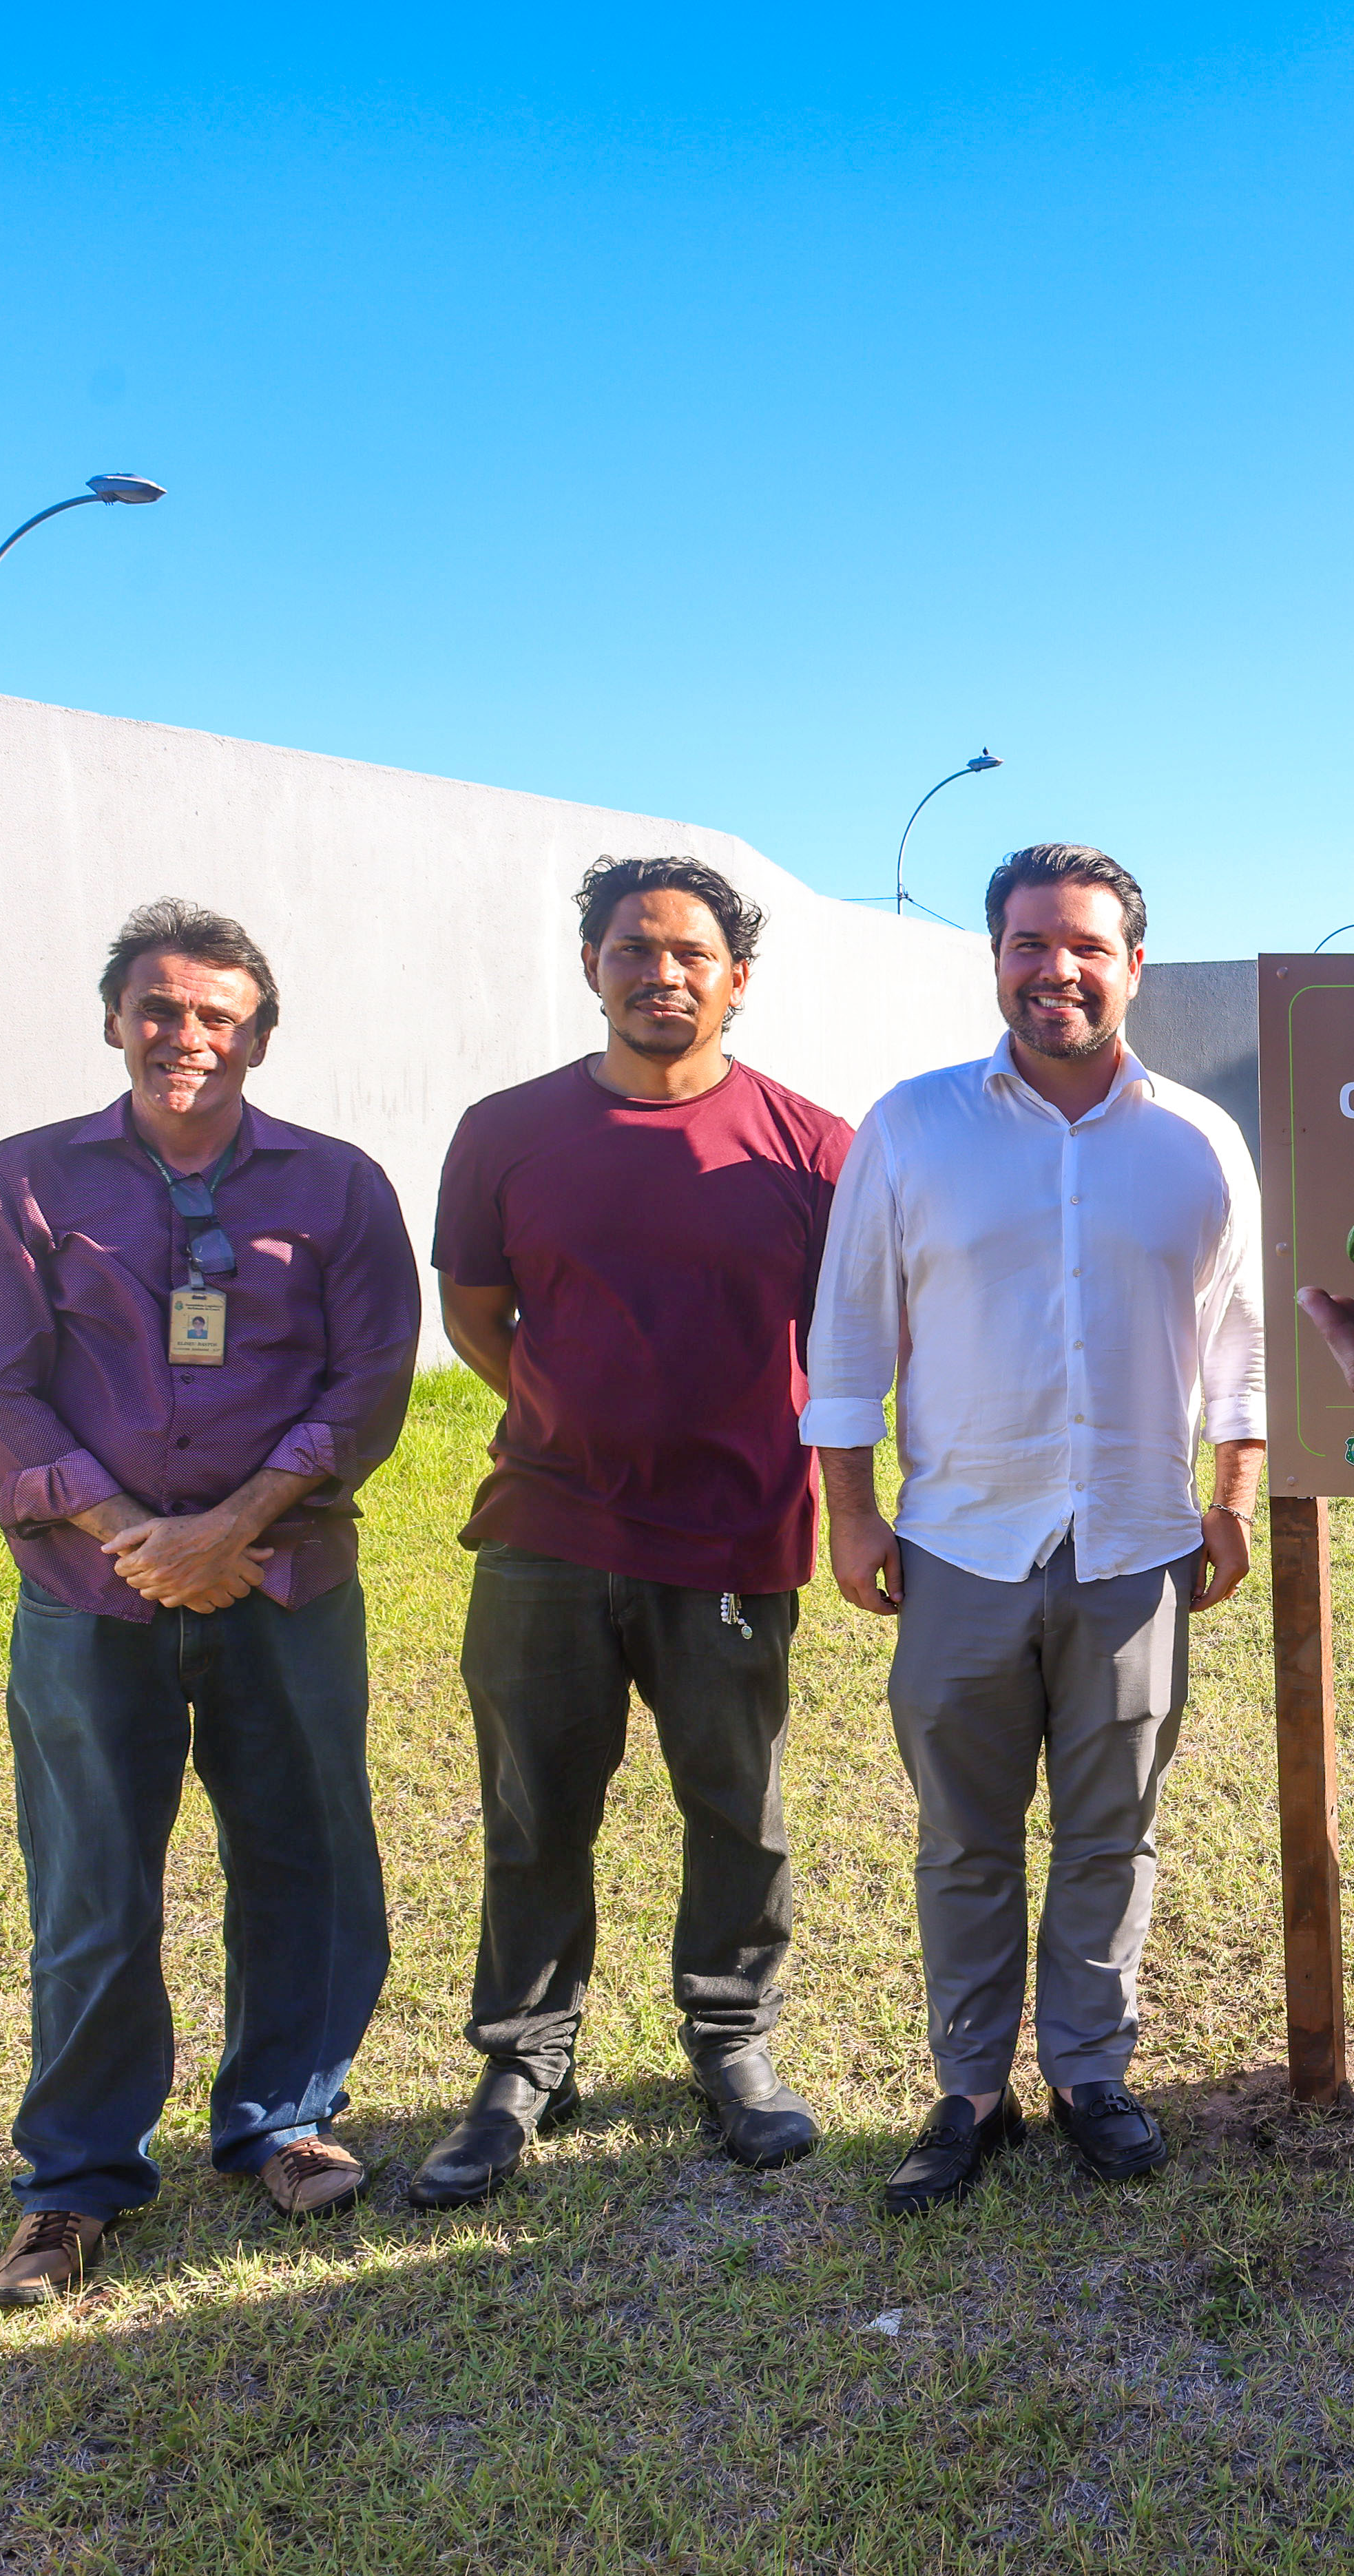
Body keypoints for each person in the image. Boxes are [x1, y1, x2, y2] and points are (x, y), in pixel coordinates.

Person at [0, 901, 418, 2303]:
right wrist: (137, 1538)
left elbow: (370, 1380)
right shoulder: (22, 1181)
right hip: (92, 1596)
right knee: (92, 1884)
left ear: (262, 1038)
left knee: (304, 1858)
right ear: (114, 1020)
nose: (187, 1036)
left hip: (284, 1581)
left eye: (220, 1015)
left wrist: (233, 1525)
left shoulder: (339, 1187)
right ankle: (75, 2182)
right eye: (159, 1008)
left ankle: (285, 2118)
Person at [804, 844, 1264, 2218]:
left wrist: (1233, 1497)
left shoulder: (1199, 1140)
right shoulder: (913, 1128)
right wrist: (849, 1514)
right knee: (964, 1840)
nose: (1054, 969)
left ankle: (1091, 2074)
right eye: (1026, 943)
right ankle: (966, 2092)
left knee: (1113, 1834)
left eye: (1084, 946)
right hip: (962, 1545)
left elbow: (1240, 1341)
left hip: (1136, 1546)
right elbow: (848, 1332)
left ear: (1135, 965)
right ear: (995, 957)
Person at [403, 857, 852, 2208]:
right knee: (535, 1807)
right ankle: (524, 2064)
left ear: (738, 979)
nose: (663, 972)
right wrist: (569, 1414)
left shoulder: (814, 1148)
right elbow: (476, 1314)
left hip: (733, 1536)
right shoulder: (506, 1132)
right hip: (546, 1528)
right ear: (592, 965)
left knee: (737, 1808)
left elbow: (851, 1341)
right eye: (634, 949)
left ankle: (731, 2040)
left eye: (692, 953)